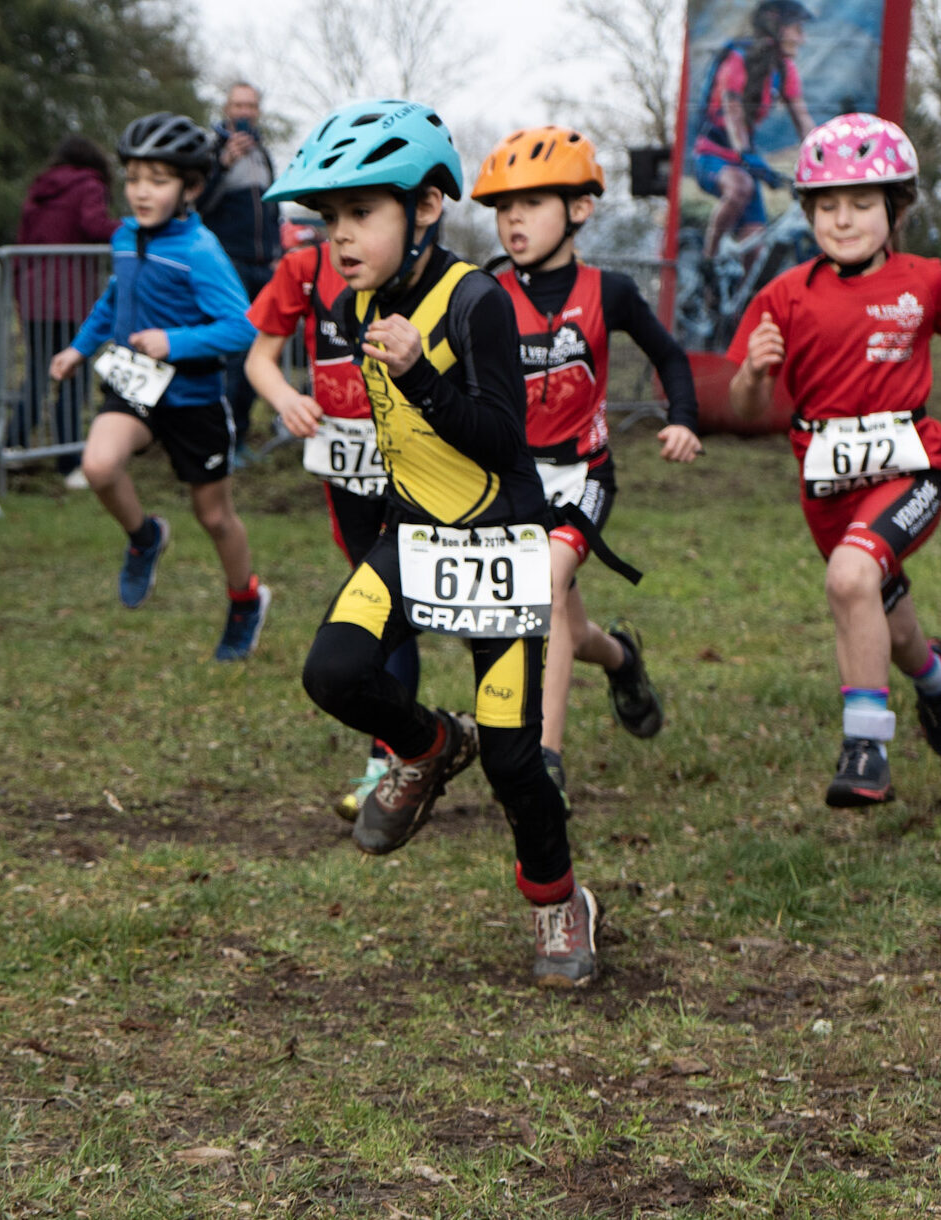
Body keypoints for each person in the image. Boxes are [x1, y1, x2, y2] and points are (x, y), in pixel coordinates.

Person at [263, 98, 599, 988]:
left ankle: (559, 903)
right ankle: (422, 746)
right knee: (332, 674)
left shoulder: (476, 301)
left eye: (361, 213)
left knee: (516, 760)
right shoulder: (349, 305)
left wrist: (417, 373)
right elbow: (389, 444)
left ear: (424, 208)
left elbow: (499, 438)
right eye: (329, 218)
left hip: (501, 548)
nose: (339, 237)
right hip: (411, 536)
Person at [726, 112, 941, 807]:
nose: (843, 218)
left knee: (851, 576)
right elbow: (743, 415)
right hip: (824, 485)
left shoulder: (923, 280)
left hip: (908, 473)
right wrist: (752, 377)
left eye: (862, 203)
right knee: (881, 611)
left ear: (897, 207)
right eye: (827, 205)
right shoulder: (784, 295)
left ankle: (865, 746)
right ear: (806, 212)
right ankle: (936, 680)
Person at [470, 126, 702, 810]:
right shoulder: (481, 294)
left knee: (542, 590)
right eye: (503, 207)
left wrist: (682, 417)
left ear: (580, 209)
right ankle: (622, 659)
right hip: (510, 486)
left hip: (581, 477)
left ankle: (543, 760)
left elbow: (671, 356)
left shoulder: (612, 291)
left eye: (533, 202)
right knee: (570, 627)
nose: (513, 219)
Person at [49, 112, 269, 661]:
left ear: (191, 187)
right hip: (135, 389)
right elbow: (112, 301)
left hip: (193, 399)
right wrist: (79, 348)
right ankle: (145, 536)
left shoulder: (199, 249)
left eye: (159, 180)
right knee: (98, 465)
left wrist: (175, 342)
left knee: (214, 517)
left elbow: (243, 325)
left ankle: (246, 599)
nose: (142, 192)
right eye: (134, 178)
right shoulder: (124, 238)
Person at [244, 236, 423, 813]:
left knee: (389, 604)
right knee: (376, 597)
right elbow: (259, 358)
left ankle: (392, 757)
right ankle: (405, 753)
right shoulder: (303, 267)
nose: (344, 227)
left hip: (416, 460)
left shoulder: (422, 266)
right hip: (342, 460)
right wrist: (286, 400)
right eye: (331, 213)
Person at [15, 135, 120, 486]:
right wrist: (132, 230)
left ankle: (15, 445)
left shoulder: (40, 188)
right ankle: (70, 460)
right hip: (69, 295)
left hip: (34, 293)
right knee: (72, 376)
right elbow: (94, 225)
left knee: (39, 371)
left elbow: (23, 240)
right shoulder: (90, 185)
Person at [693, 0, 815, 264]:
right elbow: (733, 111)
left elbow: (802, 117)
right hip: (712, 154)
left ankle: (738, 303)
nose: (802, 39)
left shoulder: (785, 70)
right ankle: (708, 260)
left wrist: (823, 151)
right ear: (775, 26)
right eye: (797, 30)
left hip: (743, 160)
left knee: (756, 246)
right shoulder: (737, 59)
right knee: (740, 187)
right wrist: (745, 152)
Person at [198, 81, 282, 462]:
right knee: (234, 350)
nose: (244, 111)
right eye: (238, 105)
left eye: (251, 105)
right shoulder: (212, 151)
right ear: (226, 108)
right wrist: (222, 165)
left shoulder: (264, 153)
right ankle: (221, 439)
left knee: (258, 351)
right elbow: (199, 204)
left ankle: (240, 436)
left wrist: (278, 252)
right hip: (227, 262)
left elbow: (272, 208)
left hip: (263, 264)